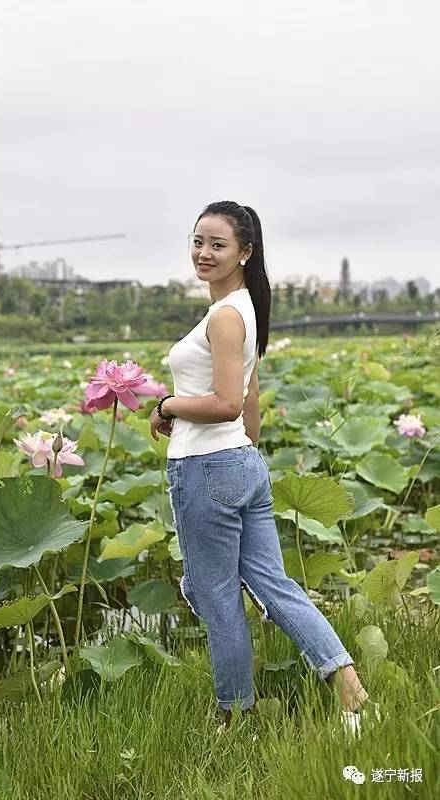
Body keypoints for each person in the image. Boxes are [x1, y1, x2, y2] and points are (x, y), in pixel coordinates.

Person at [150, 200, 380, 736]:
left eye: (218, 245)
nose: (203, 253)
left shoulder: (227, 315)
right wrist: (247, 453)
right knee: (275, 587)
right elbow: (250, 397)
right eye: (198, 241)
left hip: (206, 467)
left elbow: (228, 401)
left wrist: (167, 406)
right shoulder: (246, 307)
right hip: (238, 464)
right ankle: (351, 691)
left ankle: (236, 715)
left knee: (219, 597)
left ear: (245, 252)